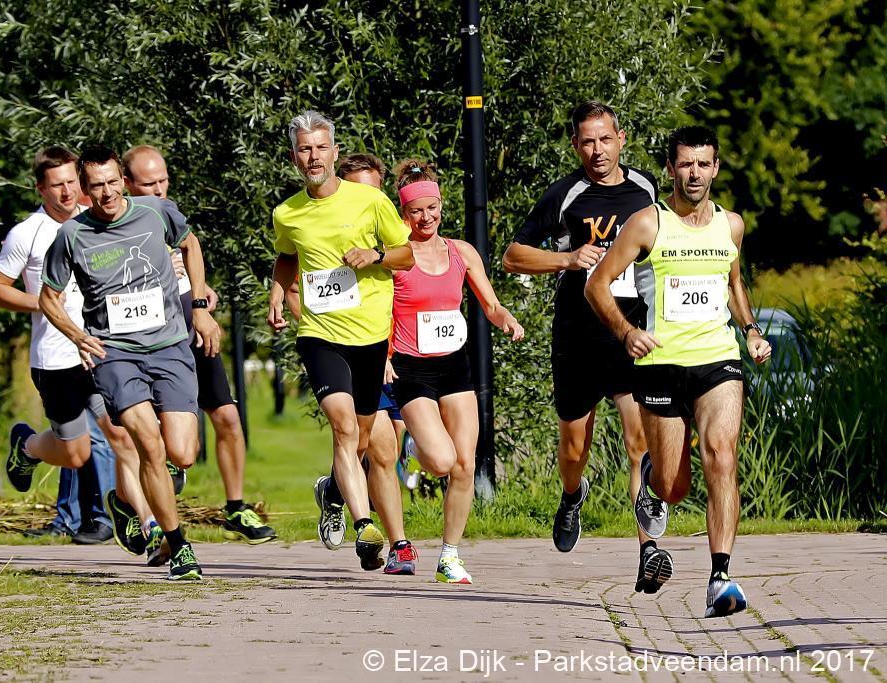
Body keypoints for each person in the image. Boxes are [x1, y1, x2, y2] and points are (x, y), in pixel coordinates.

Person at [585, 125, 772, 617]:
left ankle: (720, 577)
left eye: (703, 163)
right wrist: (626, 332)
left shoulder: (731, 226)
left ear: (716, 167)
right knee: (674, 487)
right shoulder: (648, 224)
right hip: (661, 363)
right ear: (670, 168)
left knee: (722, 455)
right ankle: (653, 476)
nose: (694, 173)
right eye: (685, 163)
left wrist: (750, 330)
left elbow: (732, 283)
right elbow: (597, 285)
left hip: (718, 358)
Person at [502, 101, 673, 594]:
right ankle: (572, 495)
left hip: (630, 332)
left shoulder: (646, 190)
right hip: (577, 338)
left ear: (622, 139)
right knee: (575, 448)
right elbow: (513, 256)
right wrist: (568, 259)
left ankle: (648, 551)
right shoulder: (565, 195)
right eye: (588, 142)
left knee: (639, 442)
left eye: (605, 139)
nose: (597, 150)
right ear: (576, 145)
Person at [37, 144, 222, 580]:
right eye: (96, 186)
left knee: (183, 453)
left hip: (170, 345)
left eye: (112, 182)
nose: (107, 193)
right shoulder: (72, 236)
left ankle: (122, 500)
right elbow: (48, 297)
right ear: (85, 190)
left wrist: (199, 307)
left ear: (123, 179)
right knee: (149, 446)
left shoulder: (156, 212)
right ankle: (179, 546)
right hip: (115, 354)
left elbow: (191, 245)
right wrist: (78, 336)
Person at [267, 111, 414, 571]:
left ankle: (331, 491)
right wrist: (277, 292)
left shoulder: (369, 200)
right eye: (304, 149)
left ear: (334, 152)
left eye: (320, 147)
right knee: (345, 428)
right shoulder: (287, 213)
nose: (313, 157)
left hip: (370, 336)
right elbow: (286, 256)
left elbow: (407, 255)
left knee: (361, 438)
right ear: (294, 157)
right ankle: (365, 527)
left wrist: (376, 255)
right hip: (320, 334)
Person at [0, 146, 146, 546]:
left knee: (122, 435)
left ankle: (139, 520)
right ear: (40, 189)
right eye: (57, 185)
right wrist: (44, 303)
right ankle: (27, 446)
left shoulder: (97, 220)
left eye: (72, 182)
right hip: (55, 358)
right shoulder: (27, 233)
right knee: (75, 454)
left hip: (99, 351)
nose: (67, 192)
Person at [123, 144, 276, 544]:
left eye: (163, 180)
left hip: (190, 329)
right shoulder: (119, 224)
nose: (159, 189)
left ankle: (236, 507)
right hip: (149, 341)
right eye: (149, 184)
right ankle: (142, 515)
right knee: (160, 440)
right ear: (126, 184)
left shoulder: (169, 214)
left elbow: (194, 265)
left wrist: (202, 300)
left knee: (227, 416)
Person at [390, 160, 524, 583]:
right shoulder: (397, 256)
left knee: (464, 463)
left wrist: (506, 319)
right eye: (416, 211)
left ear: (441, 206)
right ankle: (415, 448)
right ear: (404, 213)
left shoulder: (460, 252)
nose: (426, 218)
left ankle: (449, 556)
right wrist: (383, 357)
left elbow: (490, 303)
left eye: (432, 208)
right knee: (442, 460)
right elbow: (377, 311)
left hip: (454, 365)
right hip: (410, 366)